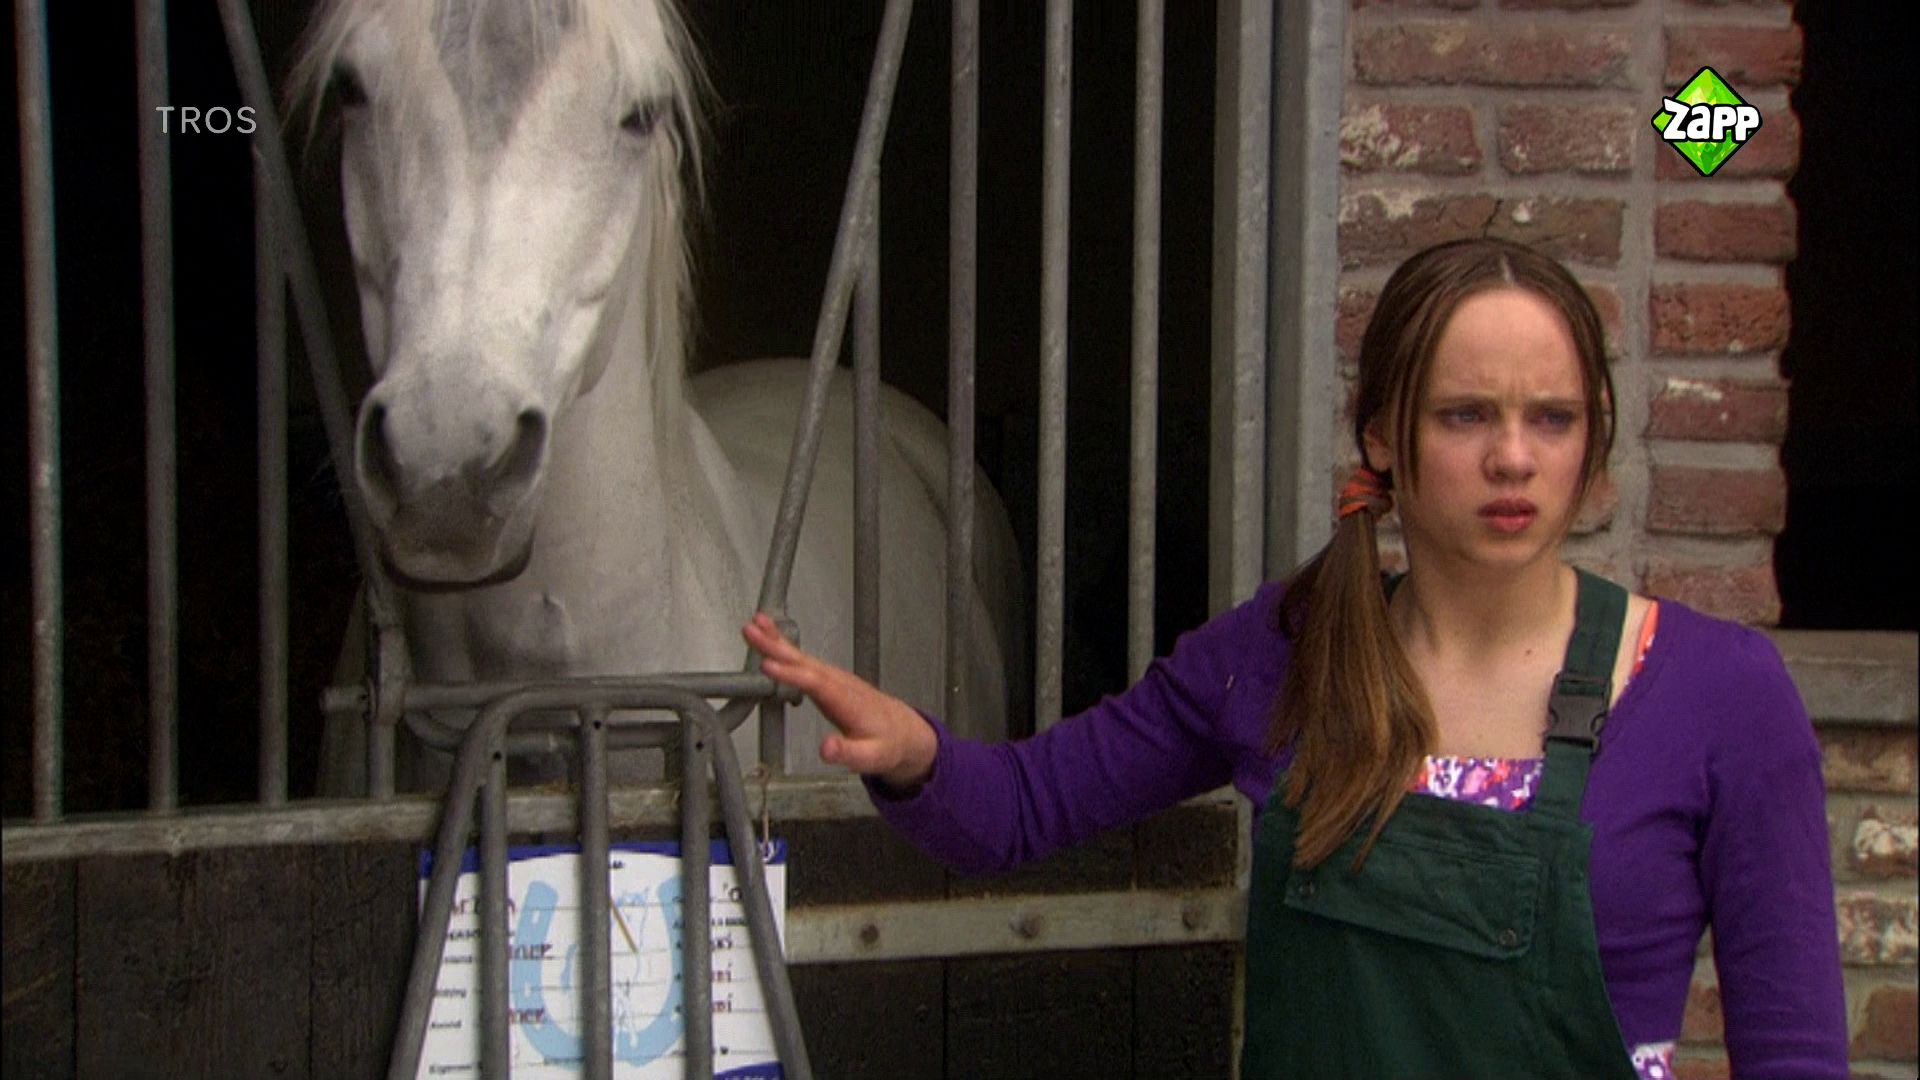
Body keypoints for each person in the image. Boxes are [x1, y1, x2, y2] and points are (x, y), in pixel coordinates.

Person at [742, 238, 1847, 1079]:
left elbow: (1795, 1057)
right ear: (1384, 435)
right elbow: (1023, 809)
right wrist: (916, 755)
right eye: (1466, 415)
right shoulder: (1283, 653)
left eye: (1551, 419)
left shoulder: (1719, 695)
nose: (1513, 457)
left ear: (1592, 438)